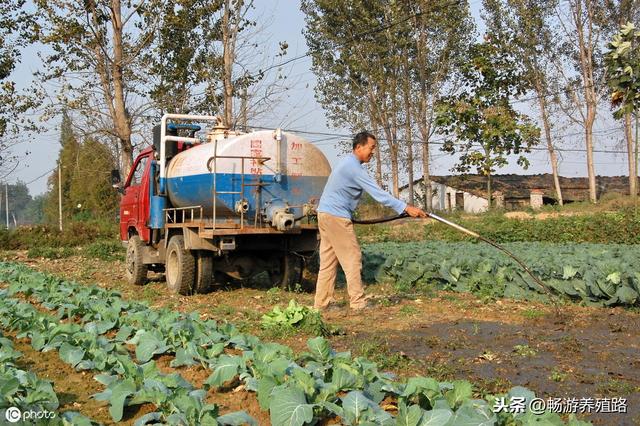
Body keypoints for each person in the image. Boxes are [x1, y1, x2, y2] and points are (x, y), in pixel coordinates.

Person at [314, 131, 427, 311]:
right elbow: (379, 194)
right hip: (336, 217)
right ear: (358, 147)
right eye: (371, 148)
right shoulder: (353, 168)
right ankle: (358, 303)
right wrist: (406, 208)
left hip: (325, 214)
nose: (373, 152)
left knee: (328, 261)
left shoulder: (347, 163)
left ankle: (321, 305)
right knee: (352, 258)